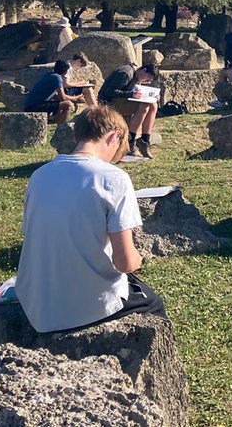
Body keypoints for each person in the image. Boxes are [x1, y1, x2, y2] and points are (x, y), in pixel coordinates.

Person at [17, 106, 166, 333]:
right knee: (154, 304)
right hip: (88, 306)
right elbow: (125, 262)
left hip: (35, 302)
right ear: (114, 136)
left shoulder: (40, 175)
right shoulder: (113, 178)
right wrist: (139, 259)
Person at [97, 61, 158, 158]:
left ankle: (145, 140)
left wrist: (152, 96)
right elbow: (110, 92)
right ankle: (130, 141)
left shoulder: (137, 76)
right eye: (148, 78)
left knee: (153, 105)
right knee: (144, 106)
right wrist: (131, 94)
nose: (147, 81)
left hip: (121, 101)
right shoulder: (125, 73)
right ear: (144, 70)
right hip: (108, 103)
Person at [25, 60, 84, 125]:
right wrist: (76, 99)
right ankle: (61, 129)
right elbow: (62, 97)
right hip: (35, 106)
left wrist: (75, 98)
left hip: (31, 105)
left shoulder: (50, 75)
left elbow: (58, 96)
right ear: (65, 71)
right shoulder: (57, 77)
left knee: (59, 103)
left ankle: (56, 122)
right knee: (68, 104)